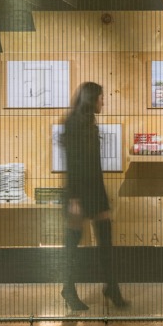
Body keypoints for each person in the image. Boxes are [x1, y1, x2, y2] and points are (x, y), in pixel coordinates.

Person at [60, 82, 128, 311]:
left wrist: (103, 199)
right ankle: (68, 288)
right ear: (92, 99)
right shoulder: (72, 125)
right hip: (77, 194)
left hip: (95, 191)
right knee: (72, 243)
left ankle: (112, 287)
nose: (104, 102)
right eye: (101, 97)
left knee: (105, 240)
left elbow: (93, 165)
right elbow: (73, 165)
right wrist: (75, 199)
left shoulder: (91, 124)